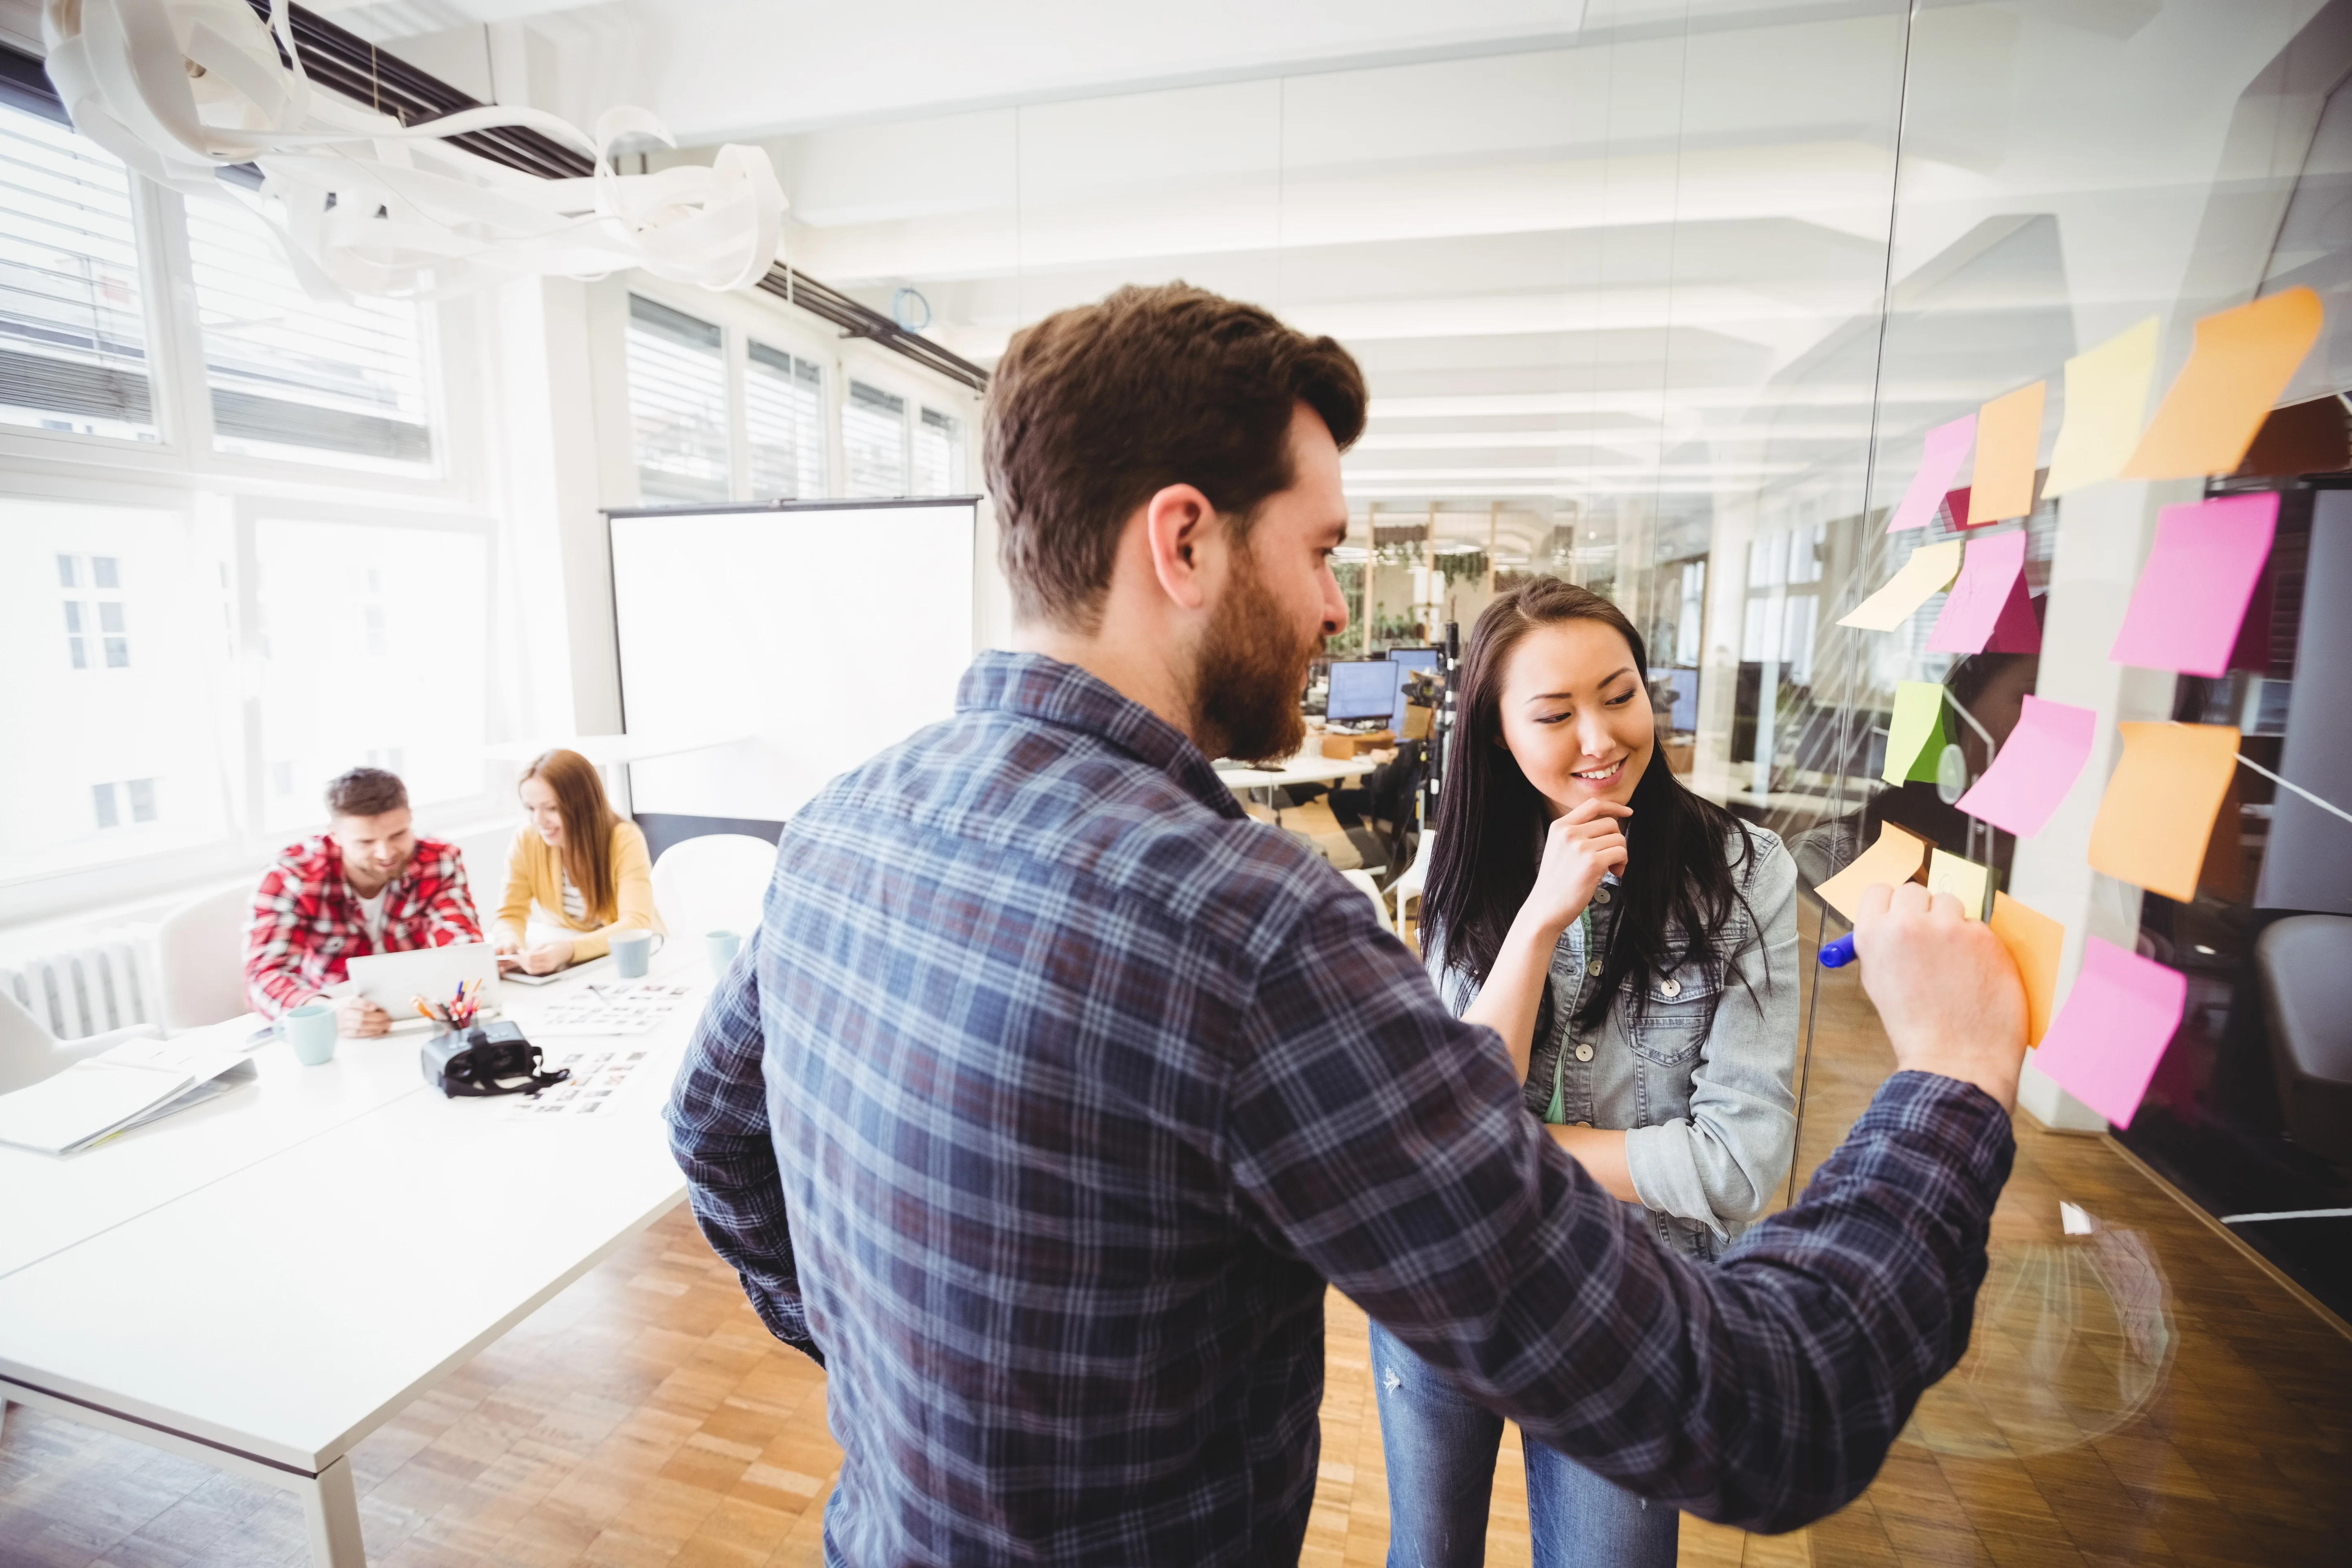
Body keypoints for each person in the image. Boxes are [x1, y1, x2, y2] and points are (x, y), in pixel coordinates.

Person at [666, 282, 2029, 1566]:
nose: (1334, 604)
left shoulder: (843, 823)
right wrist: (1955, 1078)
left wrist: (886, 1373)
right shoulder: (1251, 931)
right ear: (1184, 541)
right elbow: (1768, 1414)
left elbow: (712, 1133)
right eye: (1320, 549)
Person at [1376, 577, 1799, 1568]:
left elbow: (1737, 1164)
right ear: (1496, 734)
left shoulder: (1743, 874)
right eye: (1554, 714)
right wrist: (1537, 919)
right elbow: (1461, 1112)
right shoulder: (1472, 861)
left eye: (1619, 696)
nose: (1600, 738)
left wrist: (1509, 1149)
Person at [245, 766, 483, 1034]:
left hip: (418, 1007)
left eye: (398, 835)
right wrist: (327, 1011)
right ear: (335, 835)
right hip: (337, 1013)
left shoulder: (439, 859)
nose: (385, 853)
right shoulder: (291, 876)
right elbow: (263, 977)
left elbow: (461, 939)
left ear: (410, 819)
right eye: (366, 842)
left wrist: (473, 965)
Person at [491, 748, 662, 975]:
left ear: (583, 805)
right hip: (573, 967)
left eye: (552, 808)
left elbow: (635, 924)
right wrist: (509, 943)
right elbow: (510, 914)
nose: (538, 821)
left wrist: (569, 950)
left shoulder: (624, 838)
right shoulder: (526, 840)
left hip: (634, 959)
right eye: (530, 808)